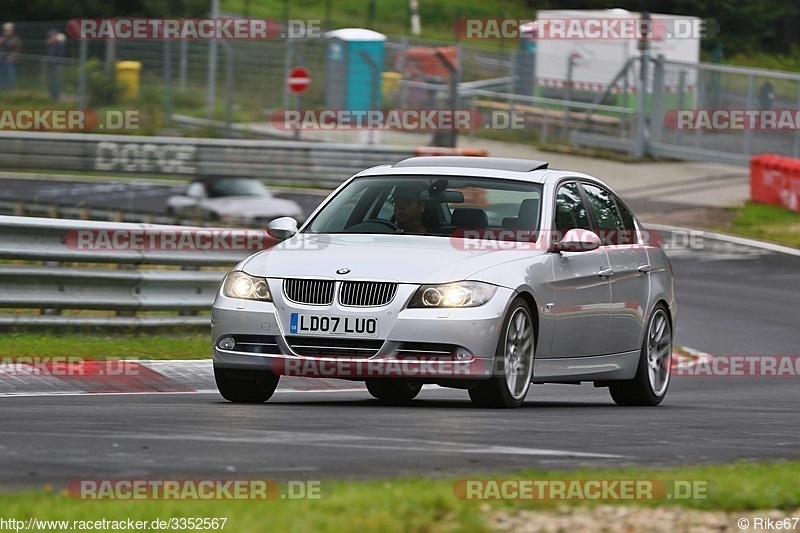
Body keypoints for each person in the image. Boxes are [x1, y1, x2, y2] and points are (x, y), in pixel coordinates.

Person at [0, 22, 22, 91]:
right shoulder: (2, 37)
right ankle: (2, 88)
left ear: (12, 30)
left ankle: (10, 88)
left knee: (10, 73)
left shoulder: (15, 38)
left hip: (10, 59)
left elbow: (17, 48)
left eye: (9, 30)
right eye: (6, 30)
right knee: (2, 73)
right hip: (2, 58)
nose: (7, 31)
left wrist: (12, 56)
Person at [46, 29, 65, 101]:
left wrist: (55, 61)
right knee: (52, 80)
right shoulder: (52, 44)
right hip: (51, 63)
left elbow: (60, 54)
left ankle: (55, 96)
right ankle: (52, 94)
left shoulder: (59, 44)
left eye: (52, 35)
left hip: (56, 63)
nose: (51, 37)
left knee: (55, 80)